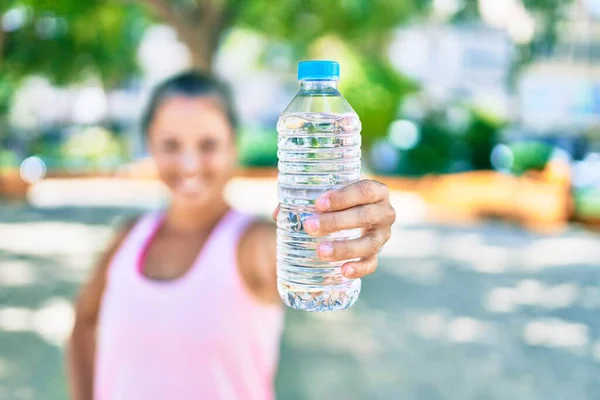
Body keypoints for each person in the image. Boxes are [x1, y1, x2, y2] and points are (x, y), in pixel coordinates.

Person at [67, 70, 396, 400]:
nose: (189, 164)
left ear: (233, 146)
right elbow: (83, 322)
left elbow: (287, 250)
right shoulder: (129, 237)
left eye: (208, 144)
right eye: (171, 144)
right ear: (149, 144)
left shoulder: (246, 244)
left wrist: (345, 229)